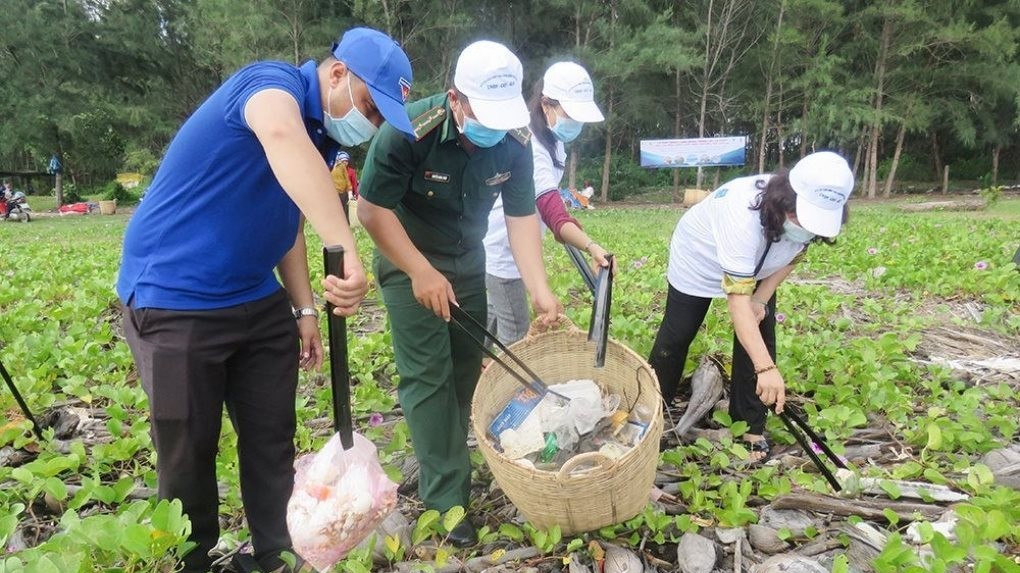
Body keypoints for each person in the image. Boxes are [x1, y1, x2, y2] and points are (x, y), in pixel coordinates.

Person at [115, 28, 414, 573]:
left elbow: (288, 219)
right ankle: (192, 561)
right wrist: (344, 245)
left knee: (271, 440)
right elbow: (279, 134)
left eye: (380, 119)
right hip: (175, 297)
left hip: (256, 297)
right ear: (339, 73)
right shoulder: (269, 85)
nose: (370, 124)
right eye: (371, 107)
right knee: (187, 452)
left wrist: (302, 307)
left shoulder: (322, 138)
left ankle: (277, 556)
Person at [356, 40, 562, 547]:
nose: (492, 128)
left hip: (468, 261)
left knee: (466, 367)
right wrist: (421, 272)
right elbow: (371, 211)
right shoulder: (407, 130)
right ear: (456, 99)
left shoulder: (513, 142)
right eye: (482, 114)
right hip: (408, 257)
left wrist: (540, 291)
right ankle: (447, 501)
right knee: (428, 375)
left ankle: (450, 449)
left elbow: (520, 220)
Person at [647, 151, 854, 464]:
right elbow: (737, 305)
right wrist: (766, 369)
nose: (806, 227)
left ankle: (749, 426)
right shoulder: (741, 214)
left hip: (760, 265)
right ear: (786, 199)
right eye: (802, 218)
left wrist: (762, 297)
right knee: (677, 335)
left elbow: (795, 255)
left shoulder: (809, 218)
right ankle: (651, 416)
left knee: (760, 330)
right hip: (700, 257)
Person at [483, 61, 611, 346]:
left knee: (488, 322)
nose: (575, 124)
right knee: (517, 340)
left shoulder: (553, 140)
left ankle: (476, 376)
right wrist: (590, 246)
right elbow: (551, 208)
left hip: (513, 248)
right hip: (504, 252)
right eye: (570, 115)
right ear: (545, 105)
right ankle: (509, 389)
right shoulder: (531, 146)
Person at [331, 150, 356, 220]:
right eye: (343, 161)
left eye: (346, 161)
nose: (345, 163)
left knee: (344, 209)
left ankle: (345, 223)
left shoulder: (342, 167)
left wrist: (350, 192)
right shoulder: (330, 166)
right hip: (333, 192)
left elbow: (348, 180)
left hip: (343, 192)